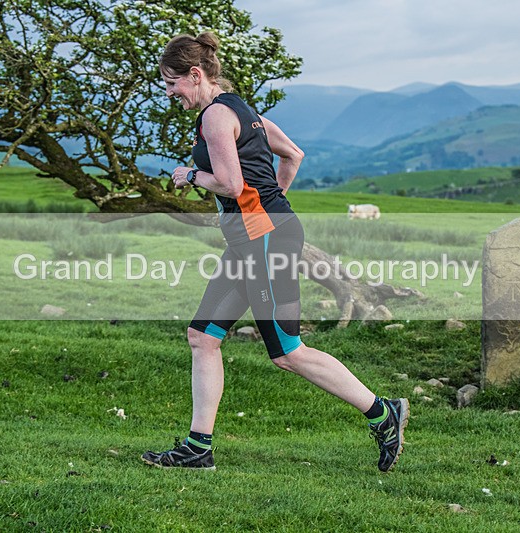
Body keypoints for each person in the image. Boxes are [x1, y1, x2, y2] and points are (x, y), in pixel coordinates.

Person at [141, 32, 409, 473]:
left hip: (262, 239)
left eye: (172, 84)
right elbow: (294, 155)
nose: (171, 94)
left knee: (287, 351)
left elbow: (230, 184)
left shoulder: (214, 116)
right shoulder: (245, 112)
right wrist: (269, 206)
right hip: (258, 236)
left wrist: (190, 174)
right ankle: (197, 447)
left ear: (195, 75)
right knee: (202, 335)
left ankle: (383, 413)